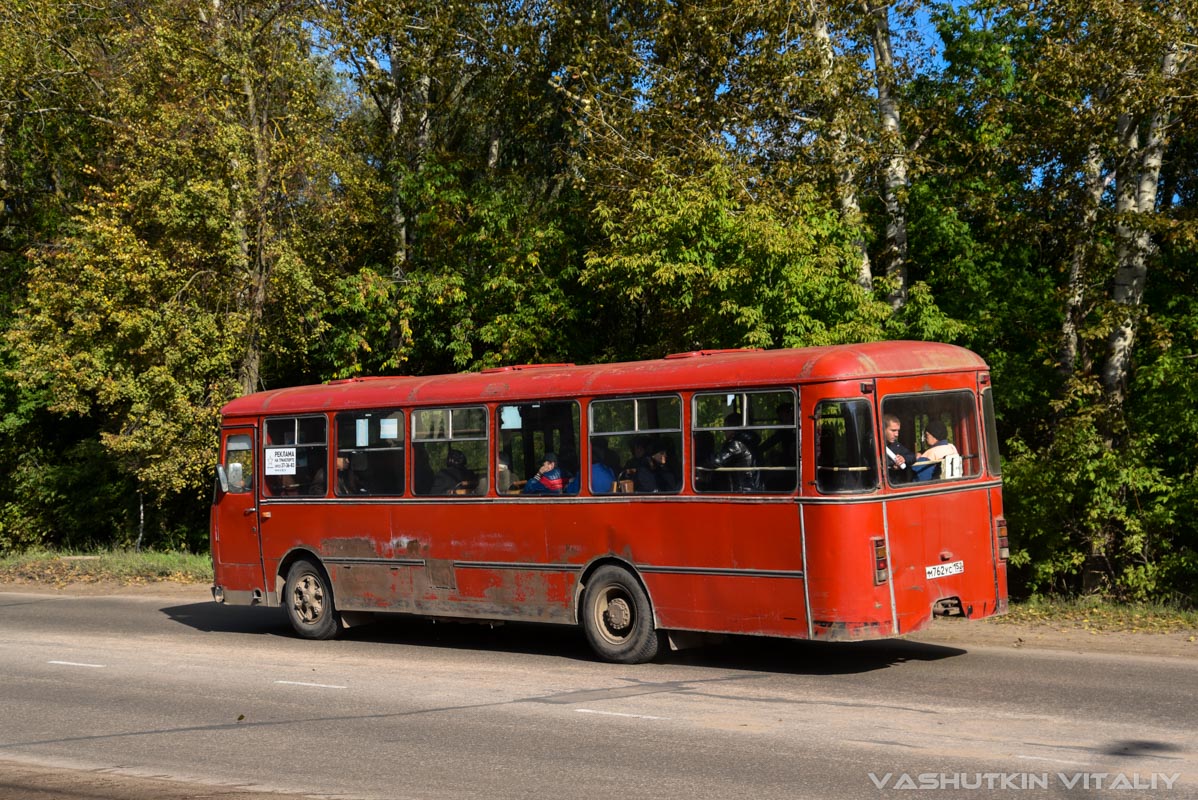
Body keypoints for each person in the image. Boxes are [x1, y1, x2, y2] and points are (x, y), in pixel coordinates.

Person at [705, 413, 758, 492]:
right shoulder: (748, 441)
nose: (723, 431)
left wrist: (705, 459)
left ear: (733, 428)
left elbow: (717, 461)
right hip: (751, 488)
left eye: (725, 427)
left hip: (743, 490)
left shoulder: (736, 444)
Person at [883, 413, 917, 483]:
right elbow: (872, 462)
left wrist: (903, 458)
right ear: (883, 429)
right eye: (893, 430)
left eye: (898, 431)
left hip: (896, 484)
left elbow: (912, 456)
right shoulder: (871, 444)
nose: (897, 434)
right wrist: (892, 464)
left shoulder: (895, 445)